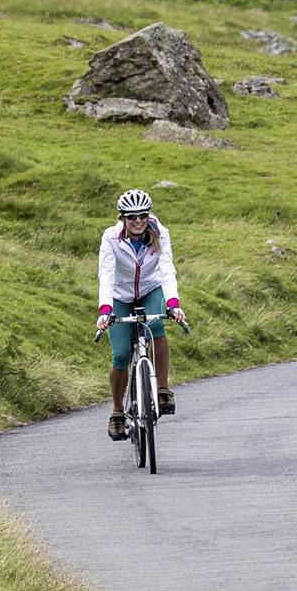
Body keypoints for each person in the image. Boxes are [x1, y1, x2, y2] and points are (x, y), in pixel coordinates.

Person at [96, 189, 188, 441]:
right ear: (122, 218)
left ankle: (162, 390)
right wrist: (105, 310)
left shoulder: (161, 233)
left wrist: (173, 303)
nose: (138, 221)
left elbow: (167, 268)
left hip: (150, 289)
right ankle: (116, 413)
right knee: (122, 354)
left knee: (157, 327)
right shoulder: (111, 238)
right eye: (131, 216)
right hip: (119, 296)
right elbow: (106, 275)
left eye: (142, 215)